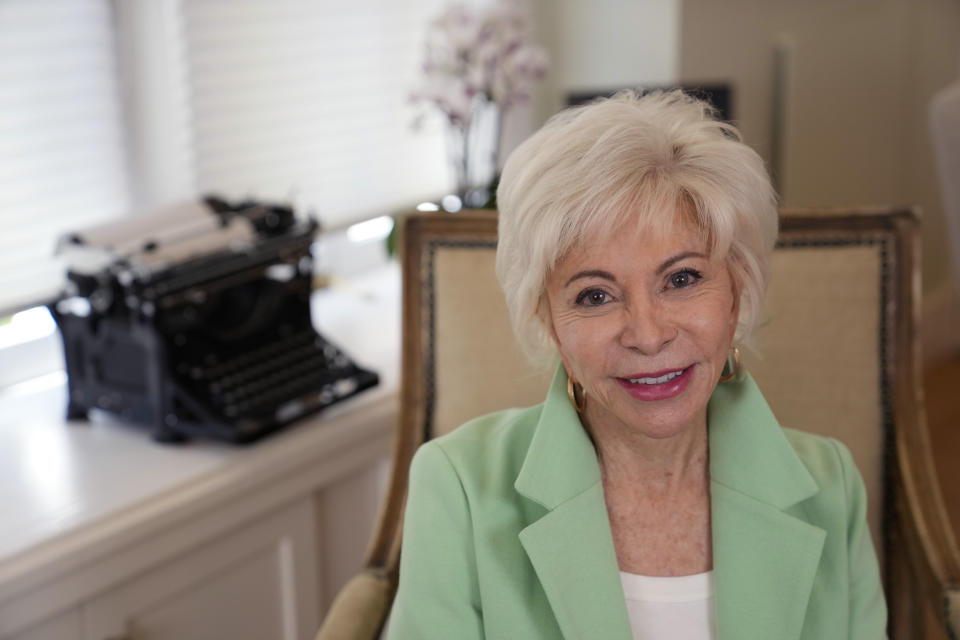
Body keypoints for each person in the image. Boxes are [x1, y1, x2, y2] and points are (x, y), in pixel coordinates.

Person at [387, 91, 886, 639]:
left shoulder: (829, 485)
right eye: (595, 296)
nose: (648, 336)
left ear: (738, 293)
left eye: (682, 279)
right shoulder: (456, 489)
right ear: (548, 321)